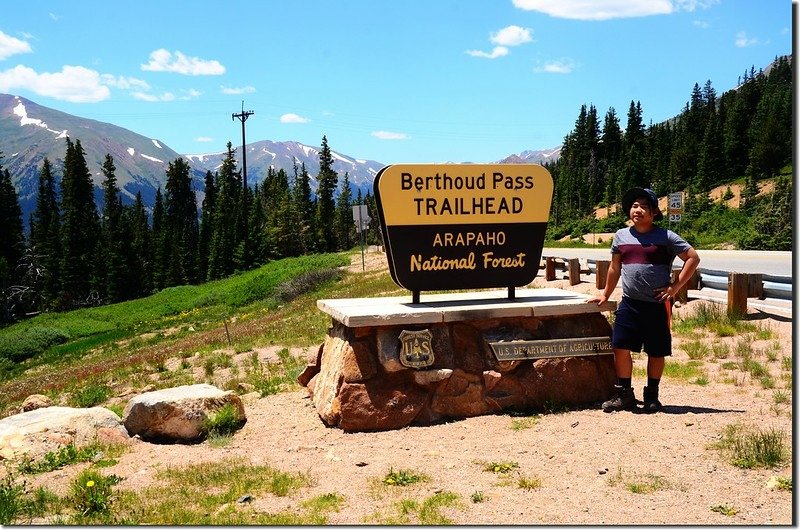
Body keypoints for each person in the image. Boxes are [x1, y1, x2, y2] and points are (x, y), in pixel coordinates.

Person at [587, 187, 700, 413]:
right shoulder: (621, 235)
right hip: (629, 303)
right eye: (634, 206)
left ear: (654, 212)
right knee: (620, 346)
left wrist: (675, 287)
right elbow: (614, 267)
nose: (637, 210)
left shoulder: (666, 236)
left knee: (656, 351)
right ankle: (625, 395)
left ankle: (652, 397)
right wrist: (605, 294)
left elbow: (693, 258)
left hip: (657, 304)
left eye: (643, 207)